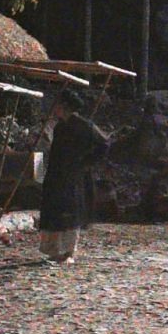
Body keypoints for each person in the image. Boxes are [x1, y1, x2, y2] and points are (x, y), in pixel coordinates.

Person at [37, 92, 108, 264]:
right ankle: (54, 250)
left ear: (65, 107)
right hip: (57, 175)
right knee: (54, 210)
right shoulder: (60, 127)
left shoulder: (85, 126)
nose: (55, 110)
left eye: (58, 106)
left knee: (71, 212)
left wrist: (86, 162)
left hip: (75, 176)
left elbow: (104, 144)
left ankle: (69, 252)